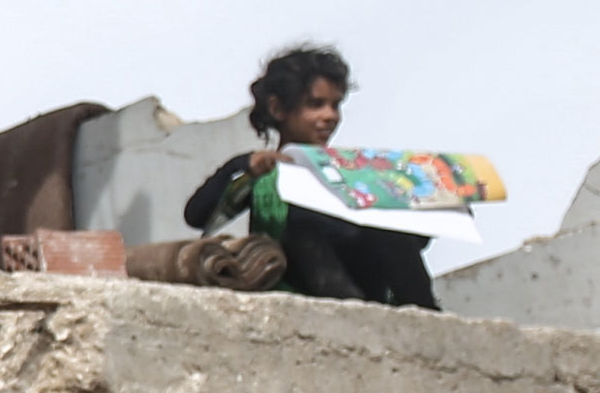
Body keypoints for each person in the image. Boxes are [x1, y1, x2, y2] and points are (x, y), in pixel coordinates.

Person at [183, 45, 439, 310]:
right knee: (301, 229)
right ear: (278, 109)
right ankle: (352, 311)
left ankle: (428, 319)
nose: (329, 116)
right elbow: (196, 215)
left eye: (335, 105)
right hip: (300, 288)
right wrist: (240, 167)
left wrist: (430, 205)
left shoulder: (352, 175)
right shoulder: (264, 171)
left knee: (387, 232)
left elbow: (408, 244)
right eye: (315, 105)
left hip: (363, 283)